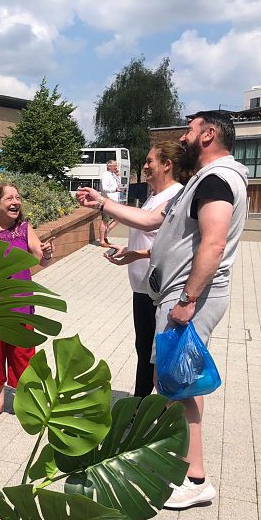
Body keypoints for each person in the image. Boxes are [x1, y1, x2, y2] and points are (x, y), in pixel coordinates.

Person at [77, 111, 248, 510]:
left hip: (187, 297)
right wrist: (104, 202)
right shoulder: (204, 181)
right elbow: (155, 220)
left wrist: (187, 300)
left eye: (191, 129)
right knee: (182, 381)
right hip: (178, 294)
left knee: (176, 384)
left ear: (208, 135)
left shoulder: (217, 180)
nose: (185, 135)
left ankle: (195, 477)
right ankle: (187, 466)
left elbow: (214, 244)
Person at [102, 141, 187, 397]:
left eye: (150, 161)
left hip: (160, 291)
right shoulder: (156, 197)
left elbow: (173, 246)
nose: (145, 166)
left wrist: (135, 254)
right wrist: (131, 252)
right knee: (144, 349)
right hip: (143, 288)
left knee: (156, 352)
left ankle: (148, 408)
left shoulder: (177, 196)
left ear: (167, 165)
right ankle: (142, 405)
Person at [0, 183, 54, 422]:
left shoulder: (25, 229)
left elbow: (41, 259)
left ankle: (25, 399)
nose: (16, 201)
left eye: (18, 197)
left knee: (22, 354)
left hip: (20, 304)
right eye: (10, 197)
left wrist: (47, 253)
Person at [98, 159, 122, 247]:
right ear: (109, 167)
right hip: (107, 201)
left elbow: (119, 185)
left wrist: (118, 176)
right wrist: (114, 190)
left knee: (118, 219)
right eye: (115, 166)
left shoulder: (113, 175)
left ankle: (105, 234)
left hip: (114, 201)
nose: (116, 167)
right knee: (105, 221)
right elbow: (104, 188)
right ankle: (102, 240)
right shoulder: (105, 175)